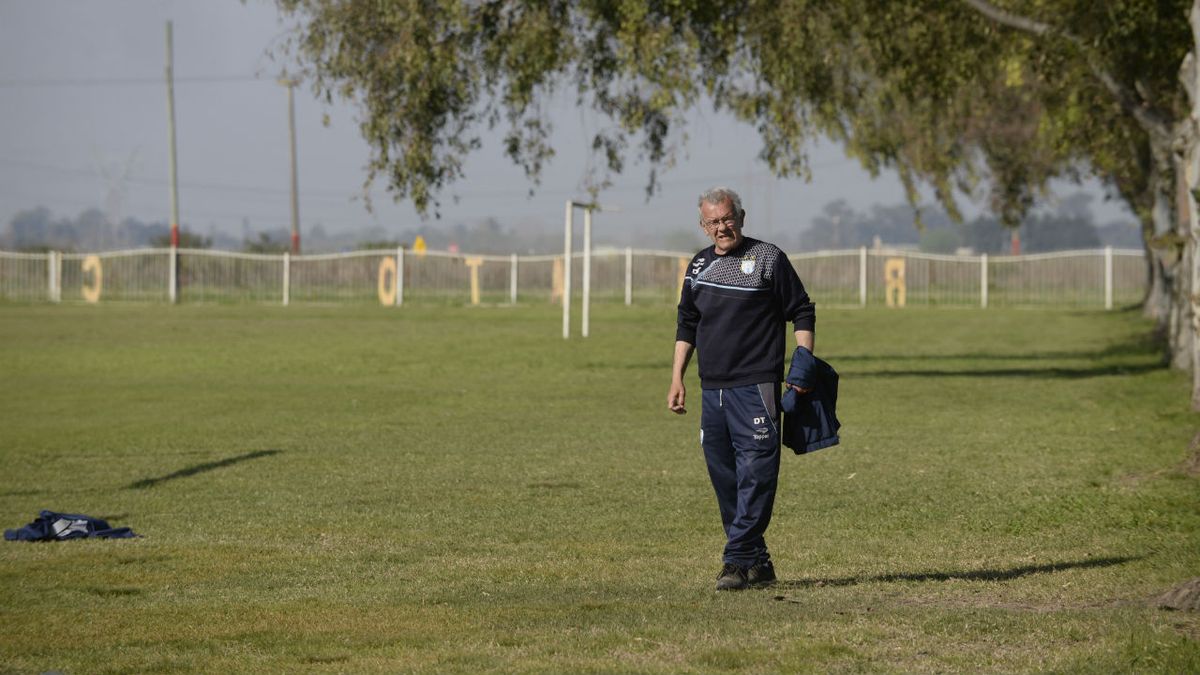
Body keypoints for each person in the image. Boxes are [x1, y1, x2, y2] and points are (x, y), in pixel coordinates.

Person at [667, 186, 816, 591]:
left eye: (728, 218)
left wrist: (802, 363)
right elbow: (687, 324)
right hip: (711, 388)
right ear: (703, 225)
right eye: (713, 221)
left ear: (742, 217)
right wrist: (677, 376)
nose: (722, 227)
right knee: (726, 478)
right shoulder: (697, 266)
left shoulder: (767, 258)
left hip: (756, 386)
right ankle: (757, 562)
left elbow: (801, 309)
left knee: (757, 474)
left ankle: (735, 561)